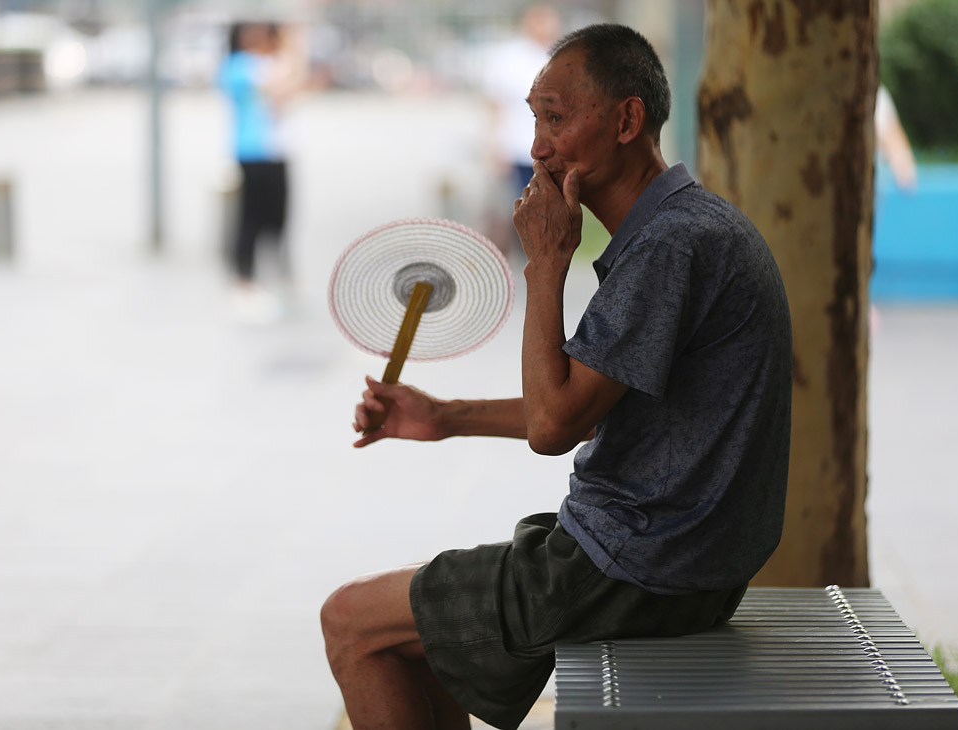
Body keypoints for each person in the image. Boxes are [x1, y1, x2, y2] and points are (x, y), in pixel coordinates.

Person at [321, 23, 792, 730]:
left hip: (637, 566)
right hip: (678, 562)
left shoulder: (671, 245)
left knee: (351, 621)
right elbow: (594, 405)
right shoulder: (684, 229)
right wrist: (446, 417)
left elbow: (554, 426)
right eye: (534, 118)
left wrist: (545, 261)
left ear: (627, 120)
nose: (537, 145)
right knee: (430, 644)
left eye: (556, 117)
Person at [217, 21, 305, 322]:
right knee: (250, 219)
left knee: (278, 218)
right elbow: (281, 89)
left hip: (276, 152)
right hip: (253, 153)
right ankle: (243, 280)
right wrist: (293, 47)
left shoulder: (266, 63)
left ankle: (273, 279)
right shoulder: (239, 65)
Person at [480, 4, 561, 258]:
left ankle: (544, 254)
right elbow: (496, 104)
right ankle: (527, 256)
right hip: (518, 148)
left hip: (554, 149)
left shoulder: (561, 56)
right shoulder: (510, 59)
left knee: (550, 206)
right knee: (521, 205)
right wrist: (495, 145)